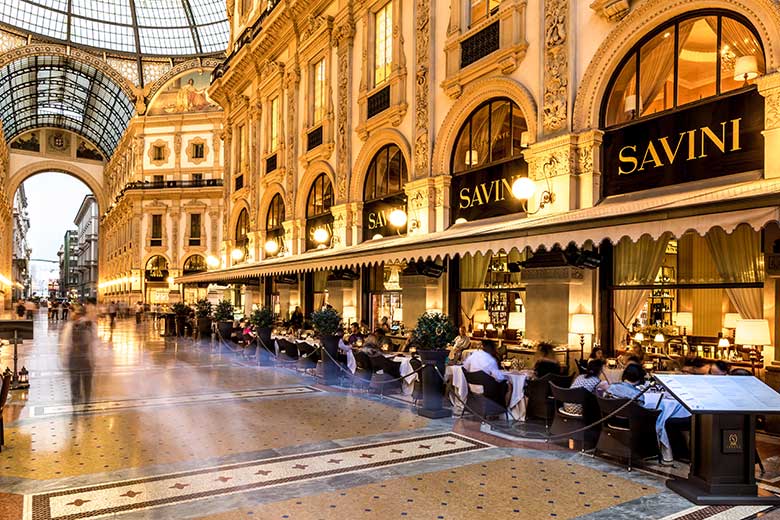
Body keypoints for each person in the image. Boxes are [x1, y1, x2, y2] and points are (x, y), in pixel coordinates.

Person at [606, 363, 690, 464]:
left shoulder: (612, 387)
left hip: (613, 420)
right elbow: (644, 408)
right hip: (632, 423)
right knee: (661, 418)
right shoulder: (637, 394)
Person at [62, 305, 97, 406]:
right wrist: (94, 359)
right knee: (87, 381)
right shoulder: (91, 325)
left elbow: (66, 344)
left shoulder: (70, 325)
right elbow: (94, 344)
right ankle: (87, 399)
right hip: (87, 358)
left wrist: (64, 359)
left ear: (76, 314)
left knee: (75, 380)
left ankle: (76, 399)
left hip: (74, 358)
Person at [462, 340, 510, 404]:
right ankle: (504, 409)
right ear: (490, 348)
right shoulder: (490, 360)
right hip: (486, 390)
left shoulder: (474, 355)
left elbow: (465, 367)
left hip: (472, 387)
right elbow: (499, 378)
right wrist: (506, 377)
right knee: (508, 385)